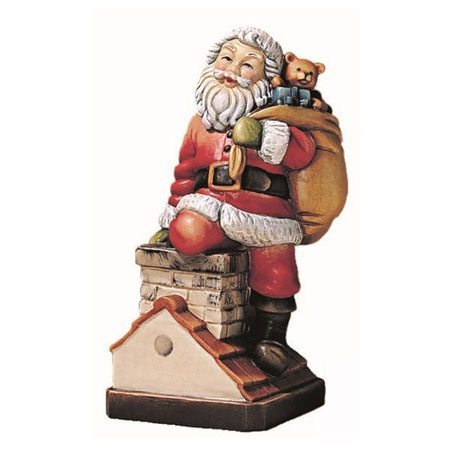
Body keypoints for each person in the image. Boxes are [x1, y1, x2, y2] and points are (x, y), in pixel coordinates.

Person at [151, 27, 317, 375]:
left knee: (276, 265)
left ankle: (270, 337)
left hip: (263, 211)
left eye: (247, 65)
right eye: (227, 58)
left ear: (266, 79)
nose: (232, 70)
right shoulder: (199, 124)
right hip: (209, 205)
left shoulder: (278, 120)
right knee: (188, 232)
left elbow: (303, 154)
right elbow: (185, 171)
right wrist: (171, 214)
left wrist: (266, 136)